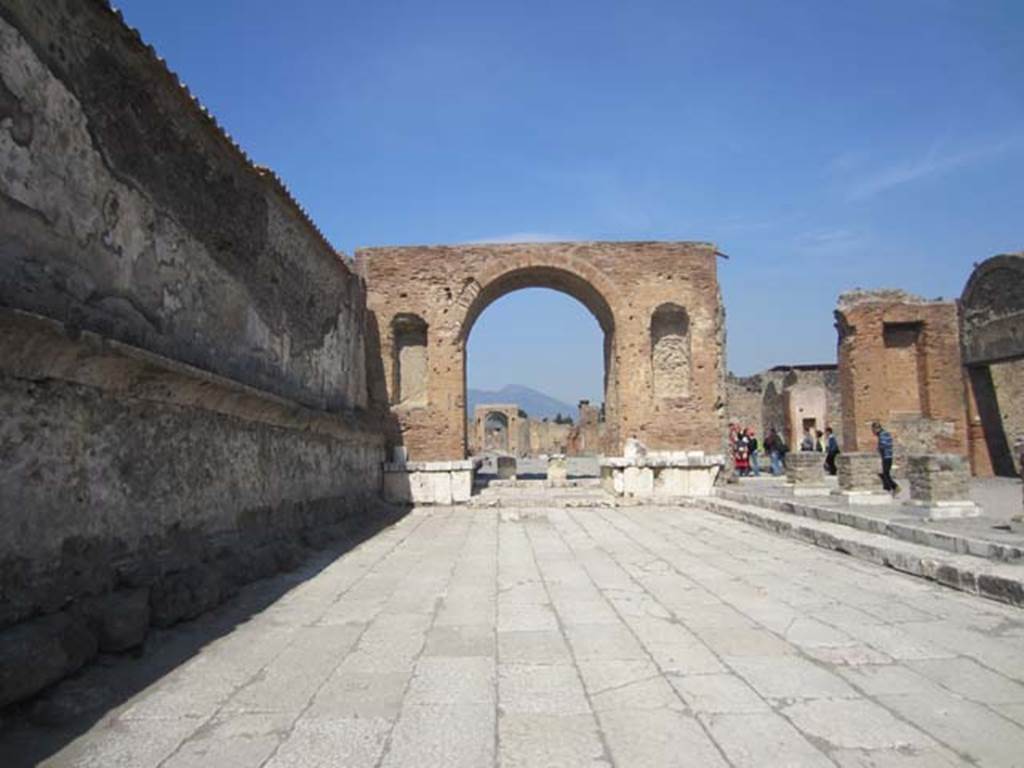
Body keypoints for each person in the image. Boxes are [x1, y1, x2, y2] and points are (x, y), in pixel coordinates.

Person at [872, 420, 899, 495]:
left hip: (886, 456)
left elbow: (884, 445)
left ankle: (894, 487)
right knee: (884, 473)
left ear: (876, 428)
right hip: (887, 456)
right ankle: (888, 489)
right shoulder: (884, 434)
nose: (873, 432)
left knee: (885, 474)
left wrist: (878, 449)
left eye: (873, 430)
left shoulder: (882, 434)